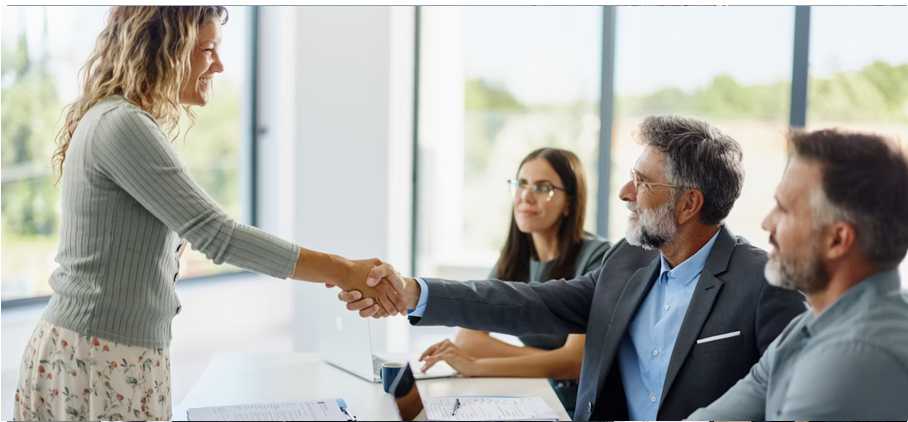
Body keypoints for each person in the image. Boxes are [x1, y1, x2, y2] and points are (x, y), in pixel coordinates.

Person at [13, 7, 403, 421]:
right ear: (166, 50)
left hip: (107, 352)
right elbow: (218, 235)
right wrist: (344, 270)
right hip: (98, 357)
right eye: (208, 50)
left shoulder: (121, 120)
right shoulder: (122, 125)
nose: (218, 65)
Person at [342, 116, 806, 421]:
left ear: (688, 203)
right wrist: (412, 292)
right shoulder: (628, 263)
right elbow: (531, 302)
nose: (625, 192)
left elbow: (792, 402)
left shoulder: (764, 283)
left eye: (642, 182)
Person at [689, 129, 908, 420]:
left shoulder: (852, 356)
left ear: (837, 240)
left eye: (783, 209)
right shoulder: (812, 324)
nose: (767, 223)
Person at [418, 148, 610, 416]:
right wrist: (549, 362)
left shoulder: (598, 259)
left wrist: (477, 365)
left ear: (570, 202)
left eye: (543, 187)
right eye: (521, 183)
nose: (526, 196)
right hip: (537, 390)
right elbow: (468, 340)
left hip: (578, 407)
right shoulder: (515, 258)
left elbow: (574, 362)